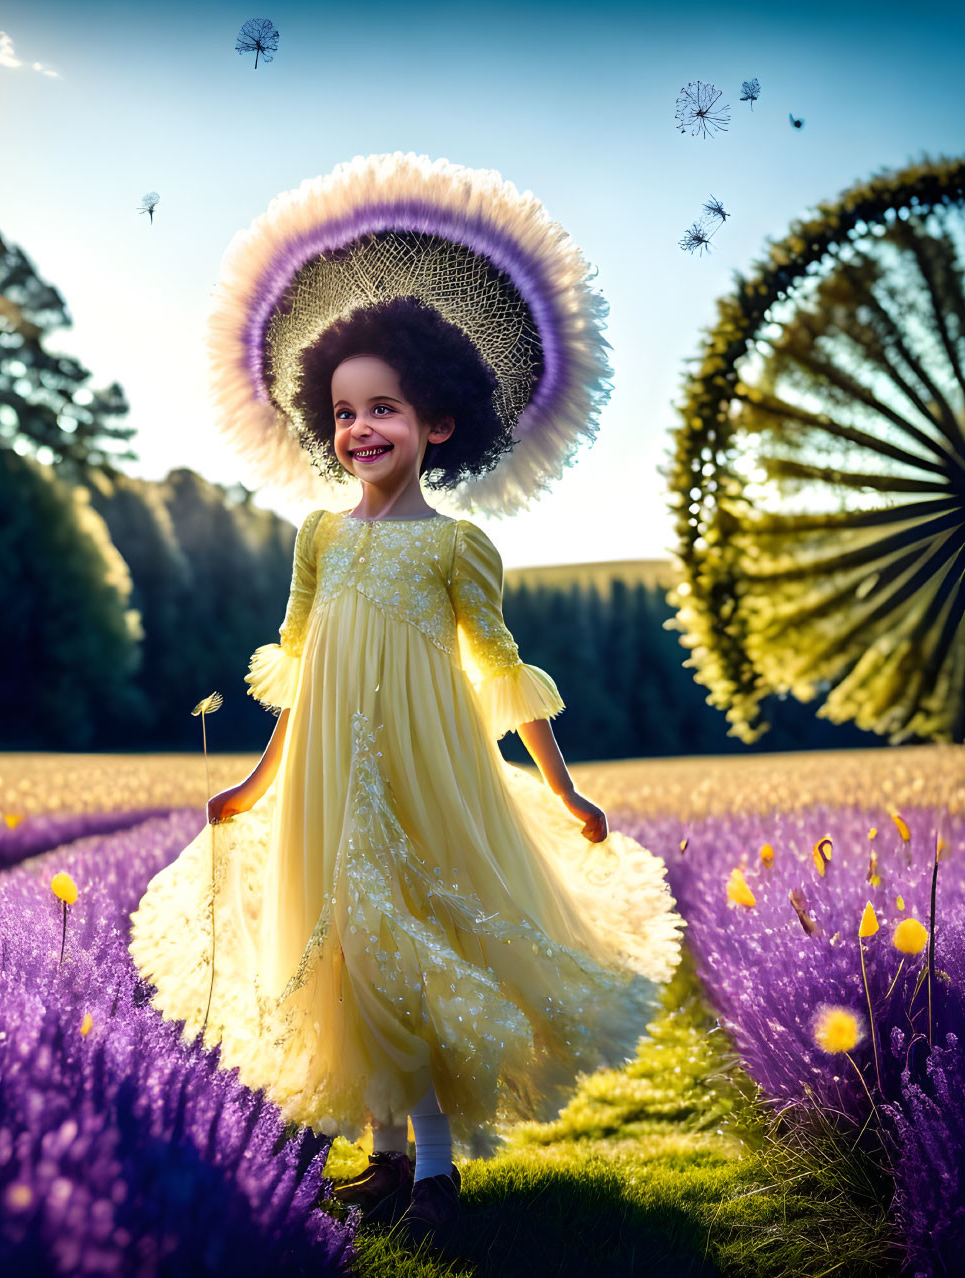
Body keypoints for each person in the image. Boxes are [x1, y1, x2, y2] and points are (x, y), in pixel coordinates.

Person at [129, 154, 684, 1256]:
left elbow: (503, 670)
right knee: (344, 957)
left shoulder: (456, 546)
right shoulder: (319, 538)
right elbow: (296, 671)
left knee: (414, 951)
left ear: (435, 425)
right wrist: (254, 780)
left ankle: (434, 1177)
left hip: (426, 774)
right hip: (327, 776)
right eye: (342, 413)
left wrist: (565, 794)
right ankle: (383, 1162)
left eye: (382, 409)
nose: (359, 430)